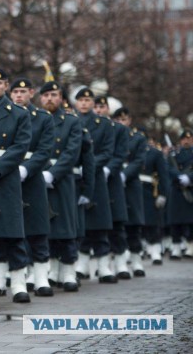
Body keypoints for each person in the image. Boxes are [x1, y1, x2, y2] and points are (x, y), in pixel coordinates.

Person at [0, 69, 31, 303]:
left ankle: (19, 281)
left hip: (6, 176)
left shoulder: (18, 114)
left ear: (6, 86)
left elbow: (20, 147)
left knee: (12, 231)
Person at [9, 78, 54, 297]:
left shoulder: (43, 118)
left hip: (32, 175)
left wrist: (26, 169)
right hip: (7, 174)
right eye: (15, 91)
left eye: (23, 91)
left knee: (37, 226)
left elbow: (45, 150)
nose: (18, 95)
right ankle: (13, 274)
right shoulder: (4, 113)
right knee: (11, 227)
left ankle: (41, 275)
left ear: (31, 93)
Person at [39, 82, 82, 292]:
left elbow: (72, 153)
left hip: (62, 179)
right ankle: (52, 269)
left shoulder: (72, 122)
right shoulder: (36, 119)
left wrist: (53, 173)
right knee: (44, 226)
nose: (49, 99)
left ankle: (69, 271)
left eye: (53, 95)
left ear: (62, 99)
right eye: (45, 95)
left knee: (65, 226)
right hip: (38, 177)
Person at [74, 89, 117, 284]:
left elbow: (108, 152)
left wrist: (88, 166)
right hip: (74, 177)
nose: (84, 103)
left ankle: (103, 265)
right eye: (81, 100)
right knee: (79, 222)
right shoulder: (71, 120)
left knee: (99, 224)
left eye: (87, 100)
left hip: (95, 178)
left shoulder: (105, 124)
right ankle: (81, 264)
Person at [94, 96, 130, 279]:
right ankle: (97, 262)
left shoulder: (119, 129)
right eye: (97, 106)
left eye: (103, 107)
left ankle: (121, 262)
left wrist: (109, 168)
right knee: (97, 222)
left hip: (112, 179)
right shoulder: (89, 125)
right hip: (94, 178)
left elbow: (119, 153)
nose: (99, 110)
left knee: (116, 223)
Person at [113, 107, 148, 276]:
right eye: (118, 119)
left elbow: (139, 160)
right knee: (118, 224)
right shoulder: (111, 135)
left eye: (124, 119)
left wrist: (124, 175)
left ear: (130, 120)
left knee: (134, 225)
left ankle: (136, 260)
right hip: (114, 182)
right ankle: (119, 260)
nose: (121, 123)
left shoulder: (138, 138)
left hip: (131, 183)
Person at [142, 138, 170, 264]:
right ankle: (140, 249)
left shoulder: (155, 153)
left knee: (153, 222)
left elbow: (163, 175)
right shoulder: (129, 151)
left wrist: (163, 194)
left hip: (150, 191)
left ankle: (155, 251)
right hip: (134, 191)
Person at [165, 129, 193, 259]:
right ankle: (176, 246)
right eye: (184, 139)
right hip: (177, 189)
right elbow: (169, 168)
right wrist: (179, 176)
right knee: (175, 219)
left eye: (189, 138)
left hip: (190, 190)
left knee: (191, 220)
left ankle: (190, 245)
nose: (186, 141)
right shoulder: (174, 154)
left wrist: (189, 178)